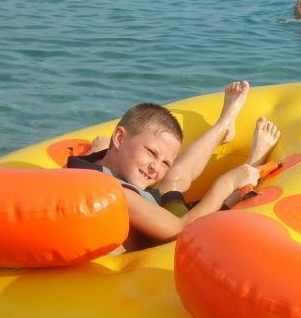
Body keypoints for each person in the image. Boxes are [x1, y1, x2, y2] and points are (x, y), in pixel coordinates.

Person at [67, 81, 281, 253]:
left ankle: (223, 127)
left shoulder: (90, 163)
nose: (155, 167)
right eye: (151, 152)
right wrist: (226, 183)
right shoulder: (117, 194)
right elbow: (181, 230)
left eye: (165, 162)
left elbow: (100, 160)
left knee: (173, 176)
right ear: (120, 138)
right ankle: (250, 168)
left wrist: (99, 147)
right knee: (180, 184)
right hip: (163, 242)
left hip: (153, 216)